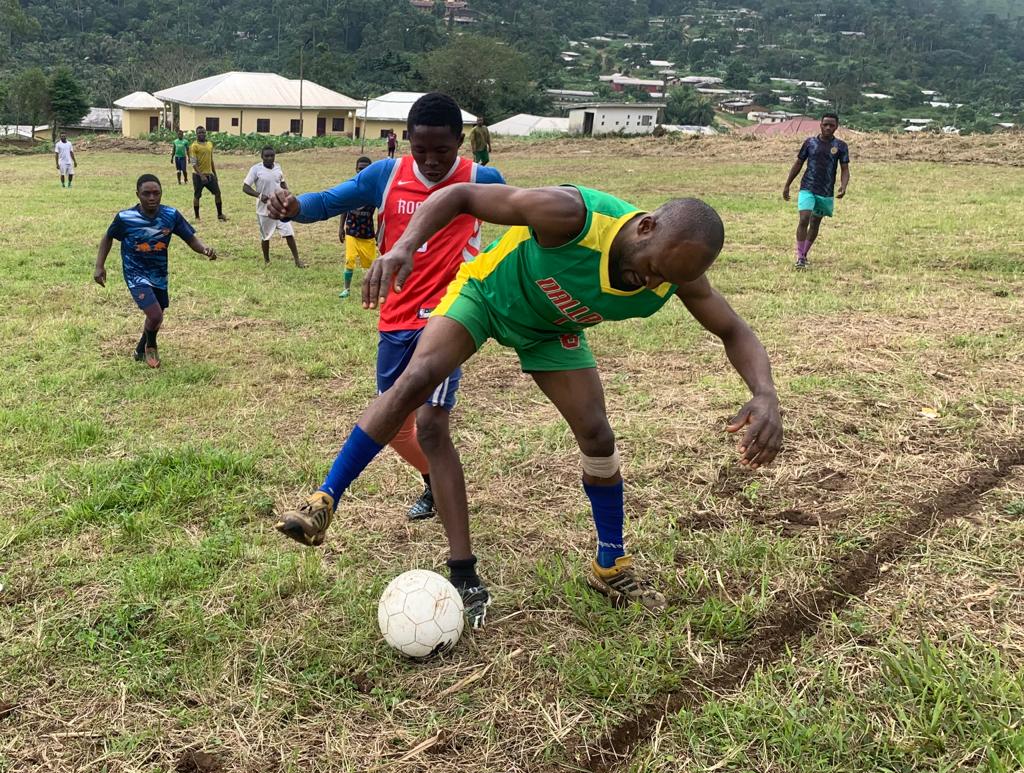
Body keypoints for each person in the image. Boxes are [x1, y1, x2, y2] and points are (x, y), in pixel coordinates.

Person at [273, 182, 783, 619]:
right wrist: (406, 244)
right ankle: (324, 500)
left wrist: (764, 393)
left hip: (552, 329)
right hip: (488, 298)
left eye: (666, 280)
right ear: (645, 227)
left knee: (597, 435)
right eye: (652, 268)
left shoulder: (677, 271)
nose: (652, 284)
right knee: (417, 380)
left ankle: (611, 564)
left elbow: (733, 329)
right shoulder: (571, 216)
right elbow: (460, 195)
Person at [267, 92, 505, 626]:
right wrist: (295, 205)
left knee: (433, 425)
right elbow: (331, 200)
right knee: (396, 424)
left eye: (442, 150)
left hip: (449, 316)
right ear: (406, 140)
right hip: (396, 318)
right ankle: (433, 484)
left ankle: (461, 569)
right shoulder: (387, 174)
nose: (432, 160)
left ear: (459, 143)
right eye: (422, 149)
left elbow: (525, 214)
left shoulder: (480, 180)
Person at [93, 174, 217, 368]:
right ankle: (151, 346)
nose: (151, 198)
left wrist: (204, 249)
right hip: (135, 272)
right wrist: (99, 266)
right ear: (138, 194)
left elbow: (190, 239)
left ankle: (139, 350)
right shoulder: (125, 218)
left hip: (159, 272)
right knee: (155, 315)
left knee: (158, 312)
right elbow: (108, 237)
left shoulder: (171, 215)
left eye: (156, 193)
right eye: (146, 193)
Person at [782, 112, 850, 268]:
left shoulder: (840, 146)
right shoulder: (809, 143)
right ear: (820, 124)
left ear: (836, 127)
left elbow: (845, 169)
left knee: (815, 222)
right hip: (807, 187)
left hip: (825, 191)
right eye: (825, 124)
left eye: (831, 125)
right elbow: (798, 164)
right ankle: (800, 257)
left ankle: (804, 254)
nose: (828, 127)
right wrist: (787, 184)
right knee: (804, 218)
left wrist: (843, 186)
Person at [242, 145, 305, 267]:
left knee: (289, 233)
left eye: (272, 156)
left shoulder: (278, 167)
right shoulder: (256, 169)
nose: (270, 158)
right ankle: (267, 261)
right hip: (264, 210)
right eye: (267, 156)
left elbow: (281, 181)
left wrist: (287, 191)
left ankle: (297, 260)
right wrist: (260, 196)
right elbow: (245, 187)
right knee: (266, 236)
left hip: (281, 207)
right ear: (262, 157)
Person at [339, 156, 377, 299]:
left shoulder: (375, 190)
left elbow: (382, 210)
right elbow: (344, 207)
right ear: (356, 169)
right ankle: (346, 289)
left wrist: (380, 231)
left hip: (367, 232)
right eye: (360, 168)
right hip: (351, 230)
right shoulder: (351, 187)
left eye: (366, 169)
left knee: (370, 264)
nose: (363, 171)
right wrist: (341, 228)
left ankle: (371, 290)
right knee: (349, 259)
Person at [189, 125, 227, 221]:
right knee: (197, 196)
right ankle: (197, 217)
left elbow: (211, 160)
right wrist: (201, 175)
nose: (201, 134)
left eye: (203, 132)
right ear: (196, 134)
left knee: (217, 193)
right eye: (199, 133)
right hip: (198, 176)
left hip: (209, 175)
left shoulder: (209, 144)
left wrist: (214, 173)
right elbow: (193, 163)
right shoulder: (194, 146)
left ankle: (220, 214)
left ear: (205, 133)